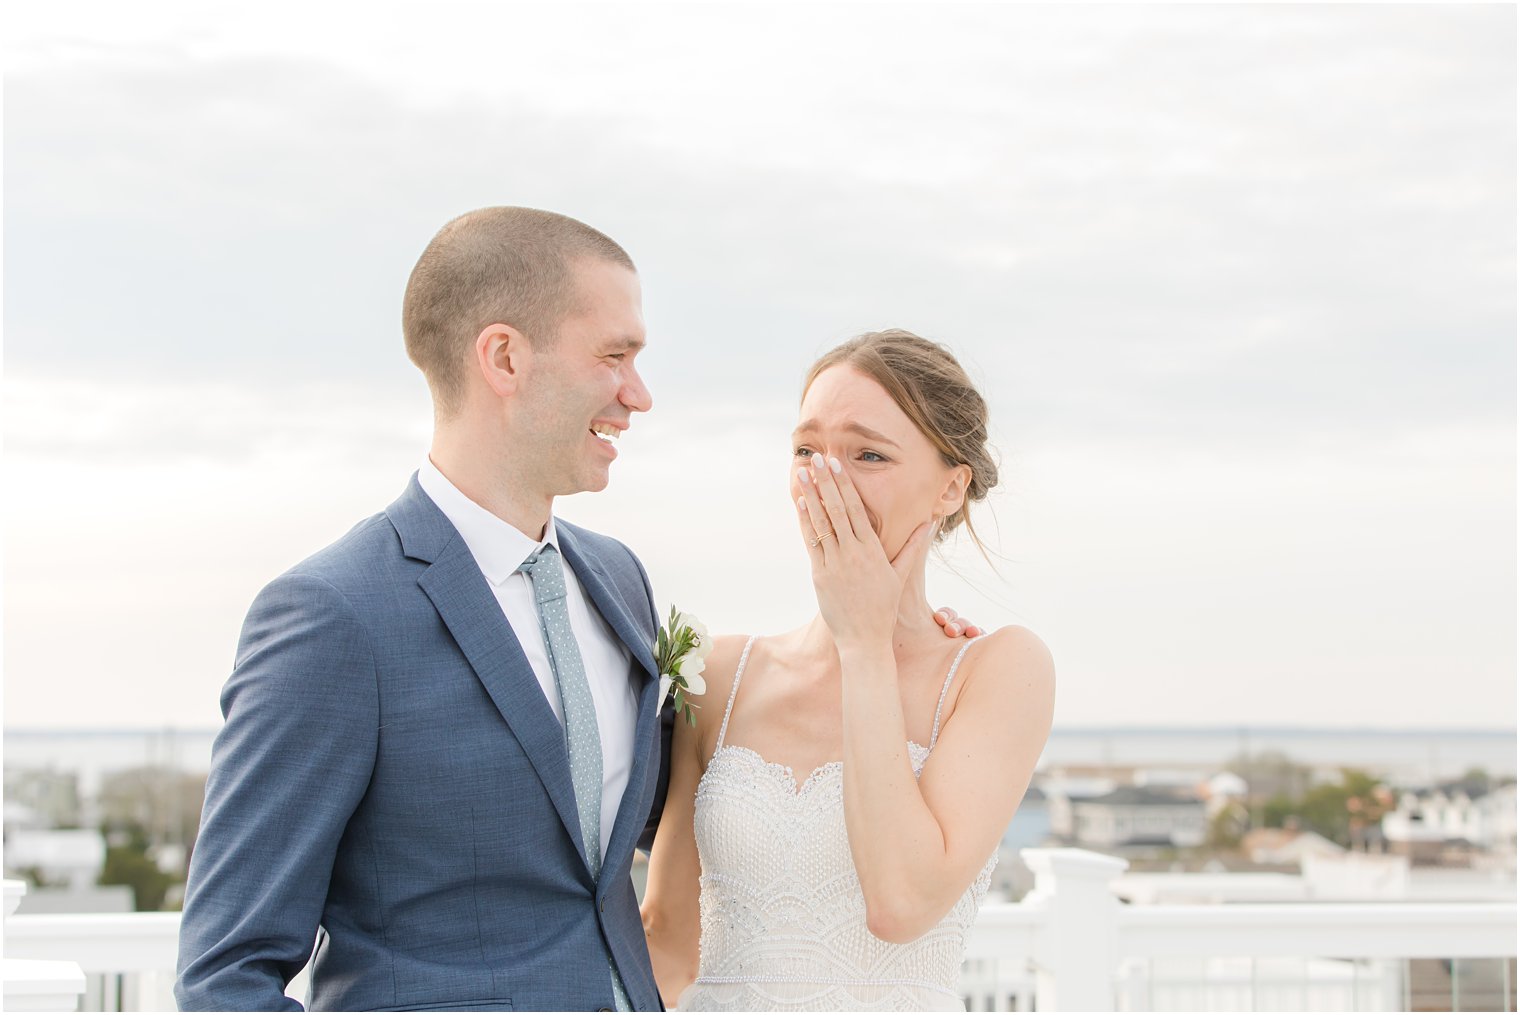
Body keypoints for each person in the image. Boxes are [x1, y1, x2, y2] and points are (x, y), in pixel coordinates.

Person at [175, 210, 977, 1012]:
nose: (639, 394)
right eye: (614, 356)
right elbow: (225, 974)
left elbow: (698, 801)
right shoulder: (335, 616)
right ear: (504, 358)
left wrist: (900, 654)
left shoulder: (616, 581)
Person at [641, 329, 1056, 1012]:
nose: (823, 479)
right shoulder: (719, 672)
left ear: (950, 488)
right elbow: (667, 936)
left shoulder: (1000, 669)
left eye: (868, 454)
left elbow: (901, 902)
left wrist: (864, 644)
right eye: (806, 450)